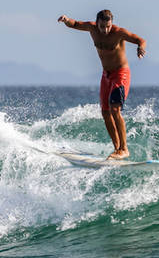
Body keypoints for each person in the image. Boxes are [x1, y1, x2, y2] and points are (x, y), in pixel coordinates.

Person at [57, 9, 147, 159]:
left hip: (121, 74)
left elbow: (140, 39)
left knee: (115, 109)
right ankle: (117, 149)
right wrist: (66, 20)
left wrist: (140, 47)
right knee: (105, 112)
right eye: (102, 27)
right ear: (97, 23)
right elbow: (75, 24)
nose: (105, 30)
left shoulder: (118, 33)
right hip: (106, 76)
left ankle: (124, 148)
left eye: (108, 26)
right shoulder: (91, 28)